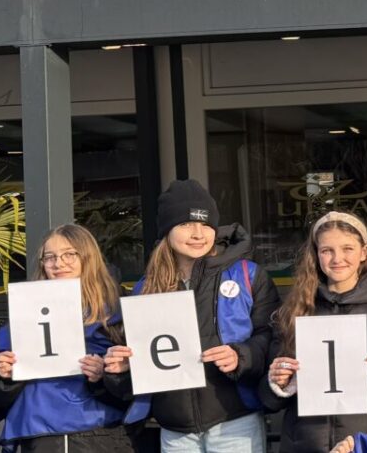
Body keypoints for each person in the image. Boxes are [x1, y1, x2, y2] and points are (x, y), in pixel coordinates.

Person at [101, 179, 280, 452]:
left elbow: (269, 337)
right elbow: (142, 359)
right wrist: (122, 370)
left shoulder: (249, 274)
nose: (198, 233)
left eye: (205, 224)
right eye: (186, 224)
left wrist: (240, 355)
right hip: (174, 429)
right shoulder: (145, 287)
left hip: (235, 422)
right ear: (167, 230)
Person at [264, 211, 367, 452]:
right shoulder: (295, 309)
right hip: (305, 443)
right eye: (327, 250)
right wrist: (279, 382)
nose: (337, 258)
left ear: (364, 252)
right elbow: (270, 398)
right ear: (317, 255)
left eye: (347, 249)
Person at [0, 224, 135, 451]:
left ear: (88, 256)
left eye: (69, 254)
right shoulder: (25, 312)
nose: (59, 263)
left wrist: (105, 376)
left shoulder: (117, 310)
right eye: (50, 257)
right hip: (39, 434)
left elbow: (131, 392)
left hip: (100, 434)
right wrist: (5, 376)